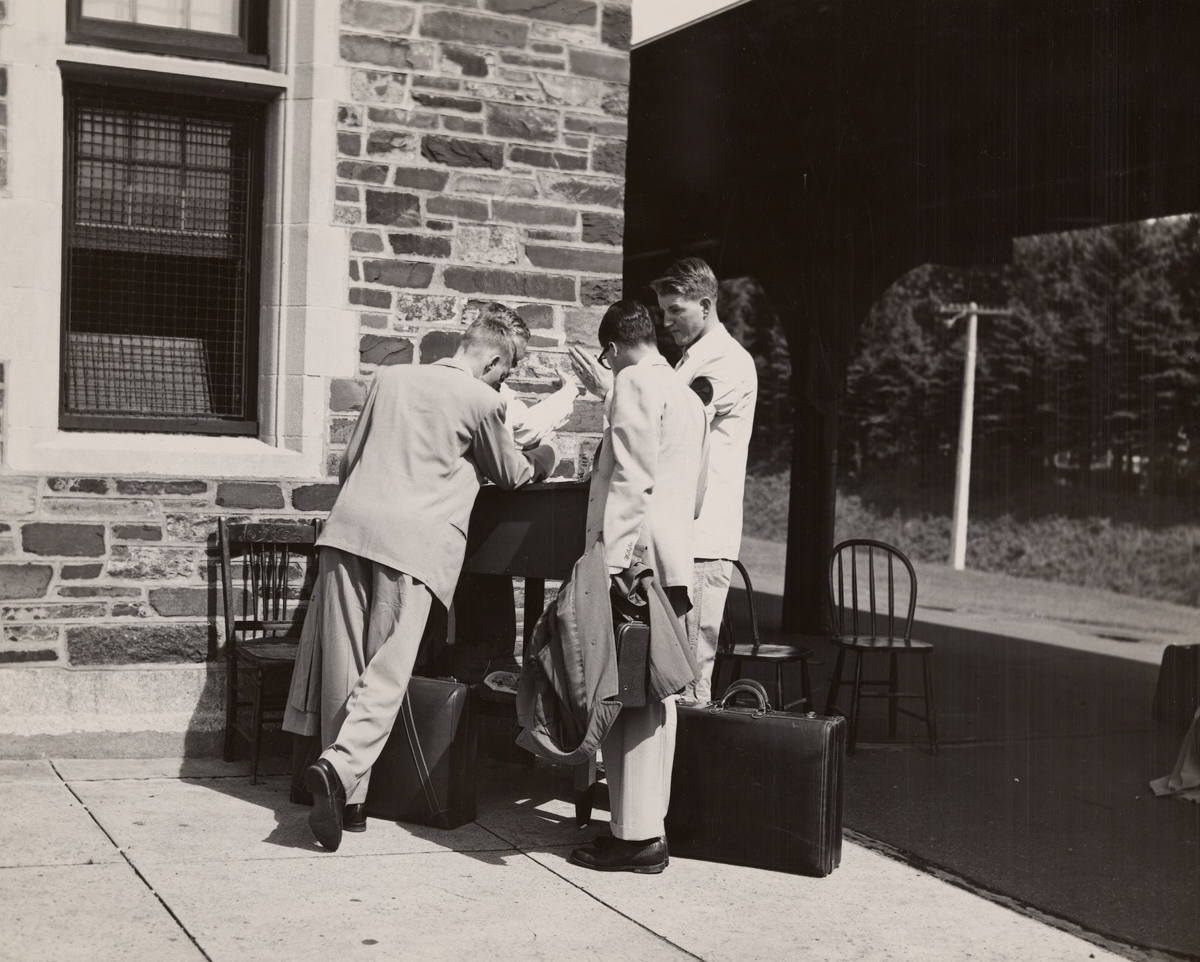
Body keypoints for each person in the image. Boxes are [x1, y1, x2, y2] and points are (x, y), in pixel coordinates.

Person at [298, 306, 555, 852]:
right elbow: (511, 473)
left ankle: (352, 801)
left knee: (345, 666)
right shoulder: (482, 400)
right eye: (505, 372)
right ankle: (339, 767)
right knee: (387, 668)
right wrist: (545, 455)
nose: (502, 381)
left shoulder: (389, 378)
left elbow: (348, 463)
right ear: (492, 358)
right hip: (412, 545)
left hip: (349, 529)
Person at [570, 258, 757, 704]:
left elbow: (675, 419)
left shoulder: (728, 362)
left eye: (677, 310)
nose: (667, 322)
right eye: (664, 311)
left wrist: (611, 389)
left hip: (700, 540)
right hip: (678, 537)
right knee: (659, 680)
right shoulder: (686, 362)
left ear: (707, 304)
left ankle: (682, 775)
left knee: (685, 677)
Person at [568, 299, 708, 874]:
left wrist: (612, 566)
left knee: (629, 699)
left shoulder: (631, 383)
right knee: (651, 698)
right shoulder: (687, 395)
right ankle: (639, 827)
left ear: (615, 347)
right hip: (671, 562)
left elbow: (630, 478)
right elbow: (693, 492)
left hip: (635, 566)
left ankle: (639, 838)